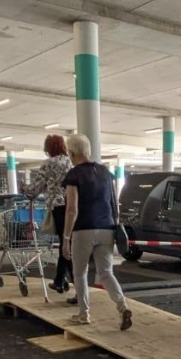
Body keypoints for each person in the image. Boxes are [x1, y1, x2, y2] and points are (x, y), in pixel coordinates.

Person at [61, 133, 131, 330]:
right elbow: (112, 203)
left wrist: (66, 237)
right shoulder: (105, 173)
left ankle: (84, 314)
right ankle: (122, 306)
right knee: (106, 272)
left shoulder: (73, 175)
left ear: (72, 153)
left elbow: (72, 209)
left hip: (83, 230)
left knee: (80, 273)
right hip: (106, 228)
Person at [30, 134, 73, 292]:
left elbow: (36, 187)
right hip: (73, 206)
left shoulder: (49, 164)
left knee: (65, 245)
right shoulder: (71, 162)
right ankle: (60, 280)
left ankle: (66, 281)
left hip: (58, 208)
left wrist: (25, 190)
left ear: (49, 148)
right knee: (67, 243)